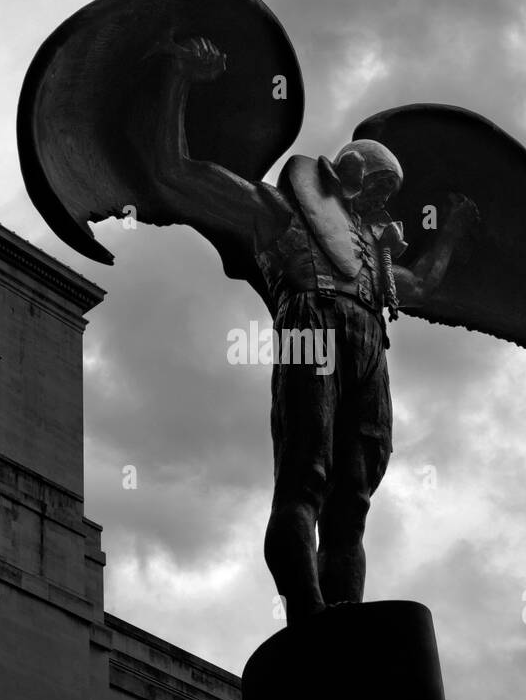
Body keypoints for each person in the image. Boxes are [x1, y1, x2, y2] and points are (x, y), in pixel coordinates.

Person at [148, 35, 473, 622]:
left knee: (353, 498)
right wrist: (180, 76)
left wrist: (451, 227)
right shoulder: (279, 211)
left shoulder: (374, 254)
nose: (382, 199)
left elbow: (421, 286)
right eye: (376, 184)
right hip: (308, 327)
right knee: (307, 476)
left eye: (388, 192)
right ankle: (309, 617)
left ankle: (344, 624)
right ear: (346, 175)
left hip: (370, 343)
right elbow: (175, 172)